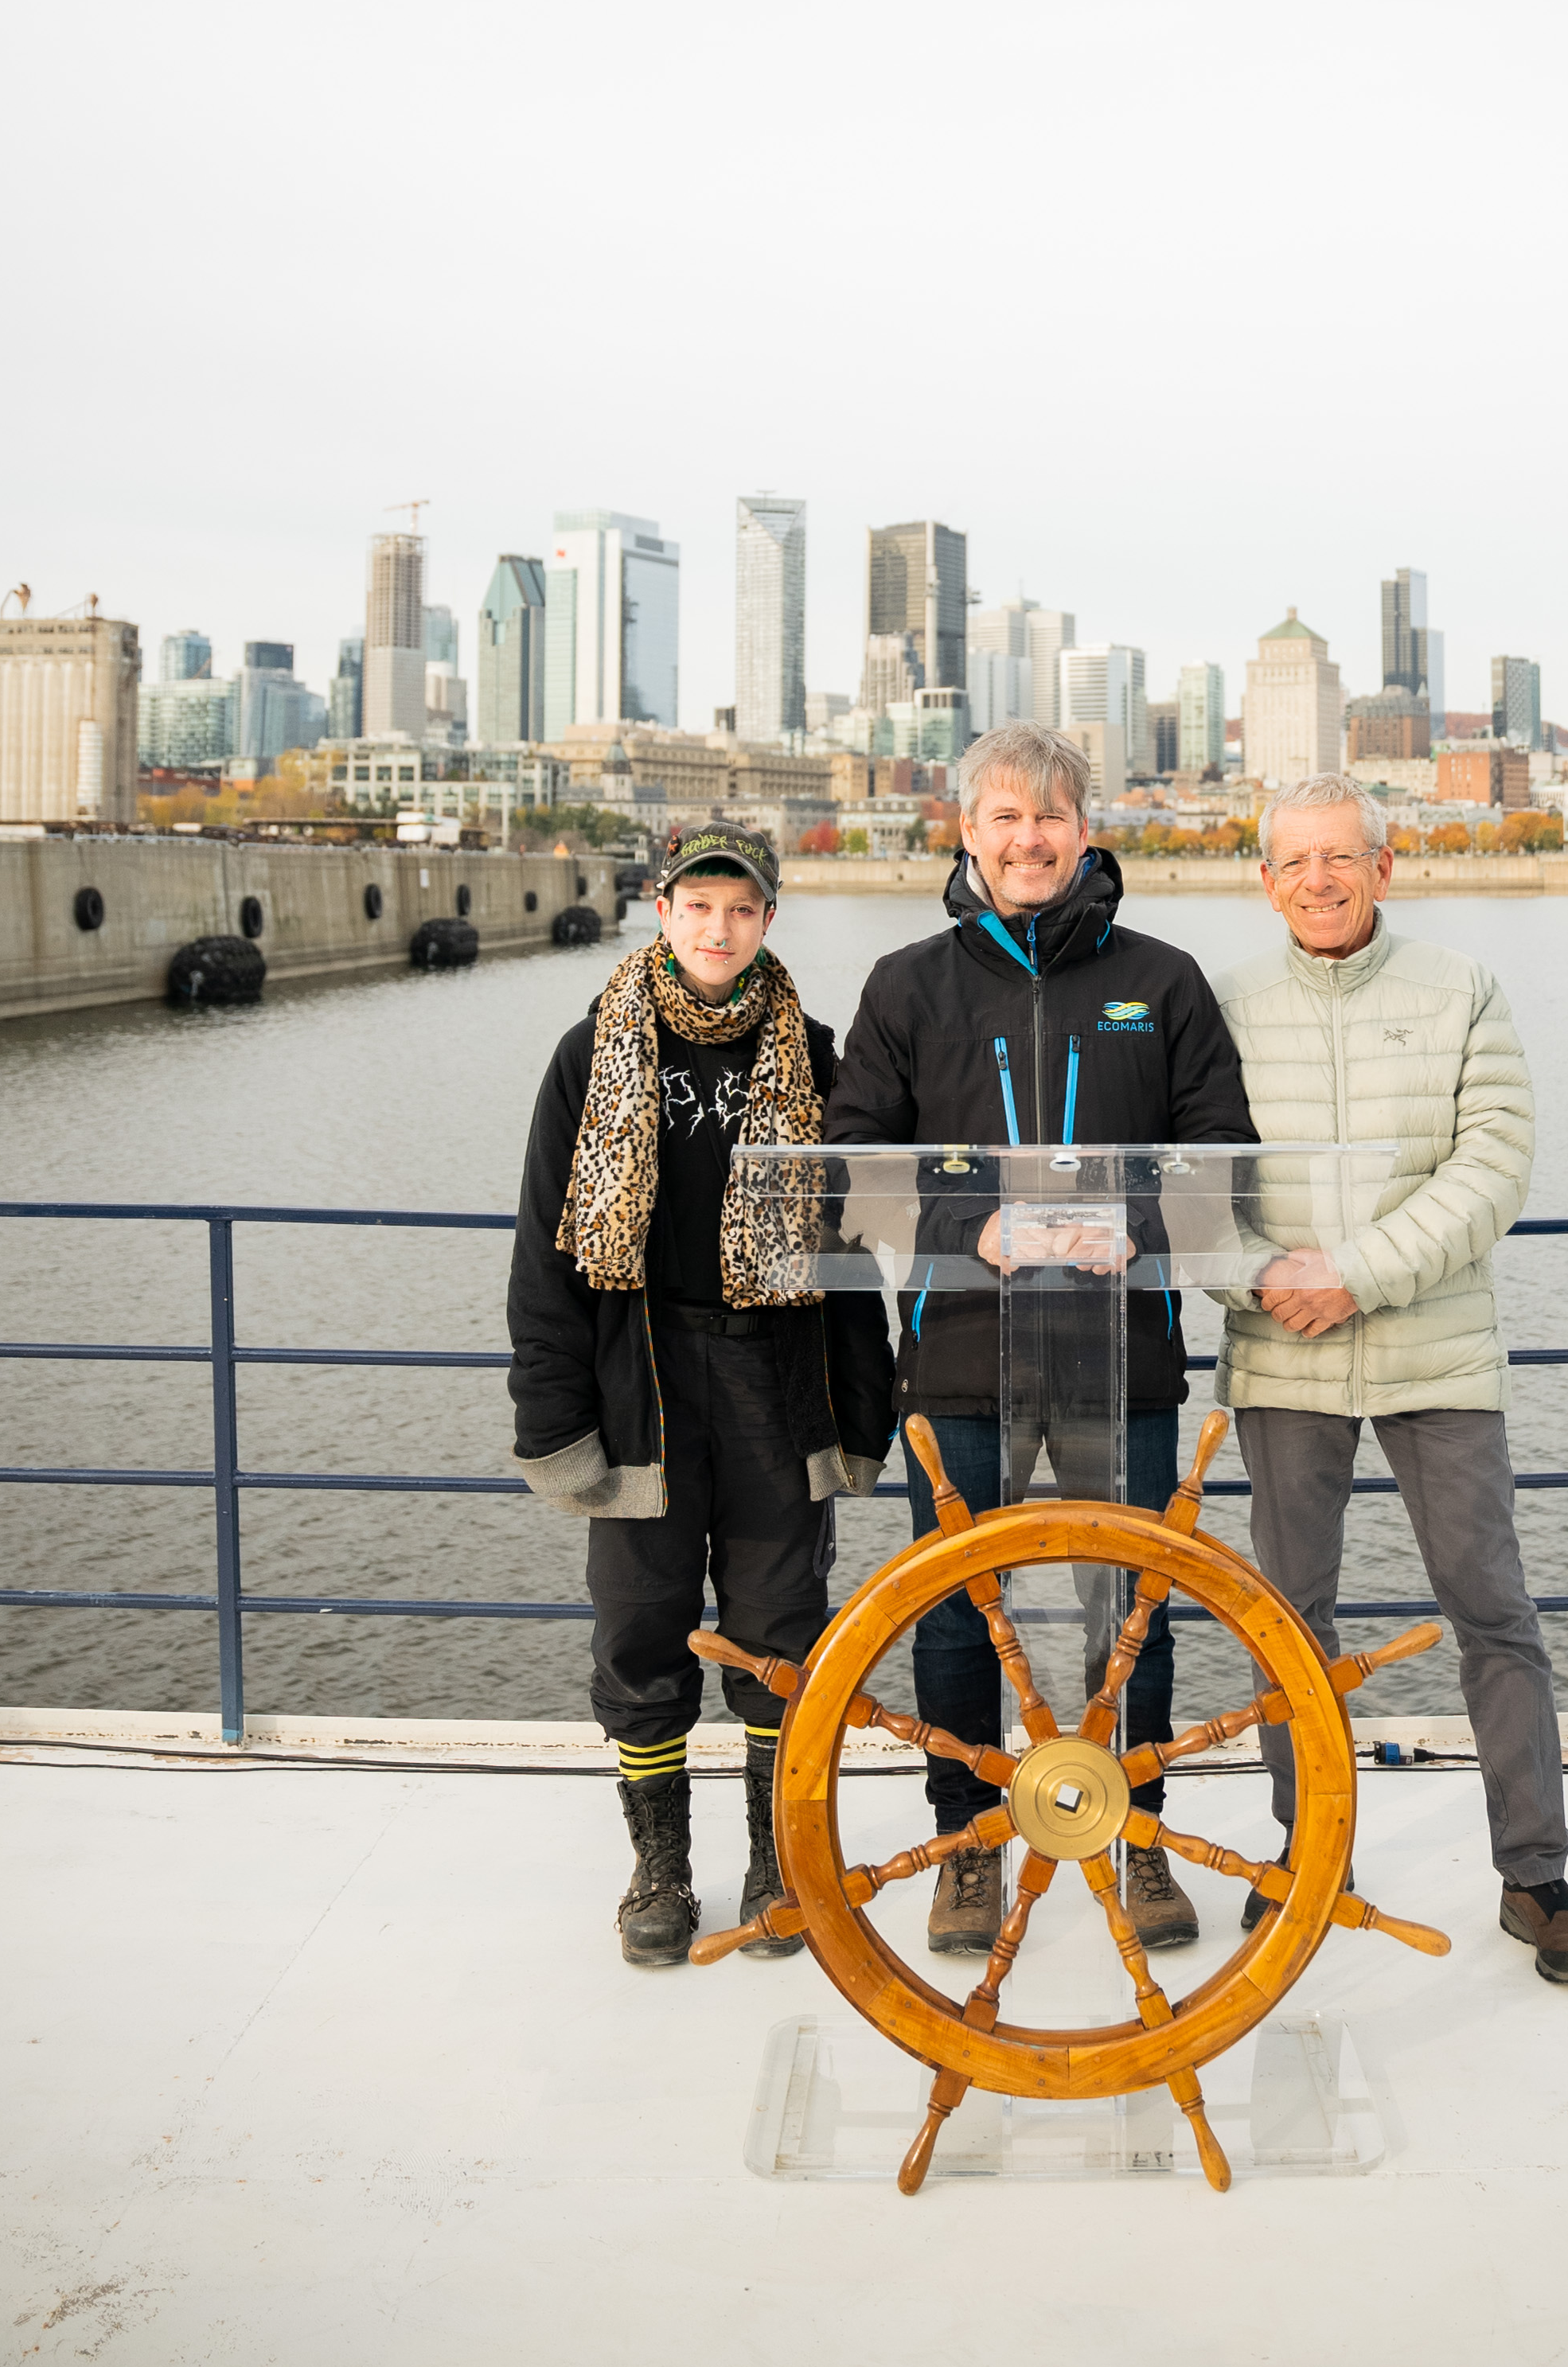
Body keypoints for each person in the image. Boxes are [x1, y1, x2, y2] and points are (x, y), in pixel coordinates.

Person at [826, 723, 1255, 1956]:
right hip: (959, 1349)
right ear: (966, 832)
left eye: (1050, 817)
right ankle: (967, 1843)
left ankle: (1143, 1837)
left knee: (1133, 1610)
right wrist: (984, 1226)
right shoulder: (907, 985)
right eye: (1004, 818)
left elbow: (1213, 1154)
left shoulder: (1163, 979)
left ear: (1085, 830)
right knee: (959, 1612)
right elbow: (860, 1165)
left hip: (1124, 1353)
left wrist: (1132, 1223)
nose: (1029, 839)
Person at [1212, 771, 1568, 1986]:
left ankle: (1534, 1874)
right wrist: (1258, 1280)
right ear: (1265, 877)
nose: (1320, 880)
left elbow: (1493, 1163)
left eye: (1343, 857)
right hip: (1282, 1352)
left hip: (1435, 1350)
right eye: (1296, 861)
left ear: (1385, 868)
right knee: (1289, 1623)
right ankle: (1305, 1852)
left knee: (1490, 1607)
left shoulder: (1461, 989)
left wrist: (1357, 1272)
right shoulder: (1220, 1004)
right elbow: (1187, 1179)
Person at [505, 820, 894, 1969]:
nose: (718, 927)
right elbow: (544, 1252)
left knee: (781, 1628)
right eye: (697, 905)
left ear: (769, 920)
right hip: (645, 1379)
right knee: (642, 1630)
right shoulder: (592, 1053)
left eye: (741, 909)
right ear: (660, 910)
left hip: (776, 1375)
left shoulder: (816, 1055)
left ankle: (777, 1858)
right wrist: (553, 1418)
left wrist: (861, 1411)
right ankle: (661, 1867)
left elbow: (853, 1248)